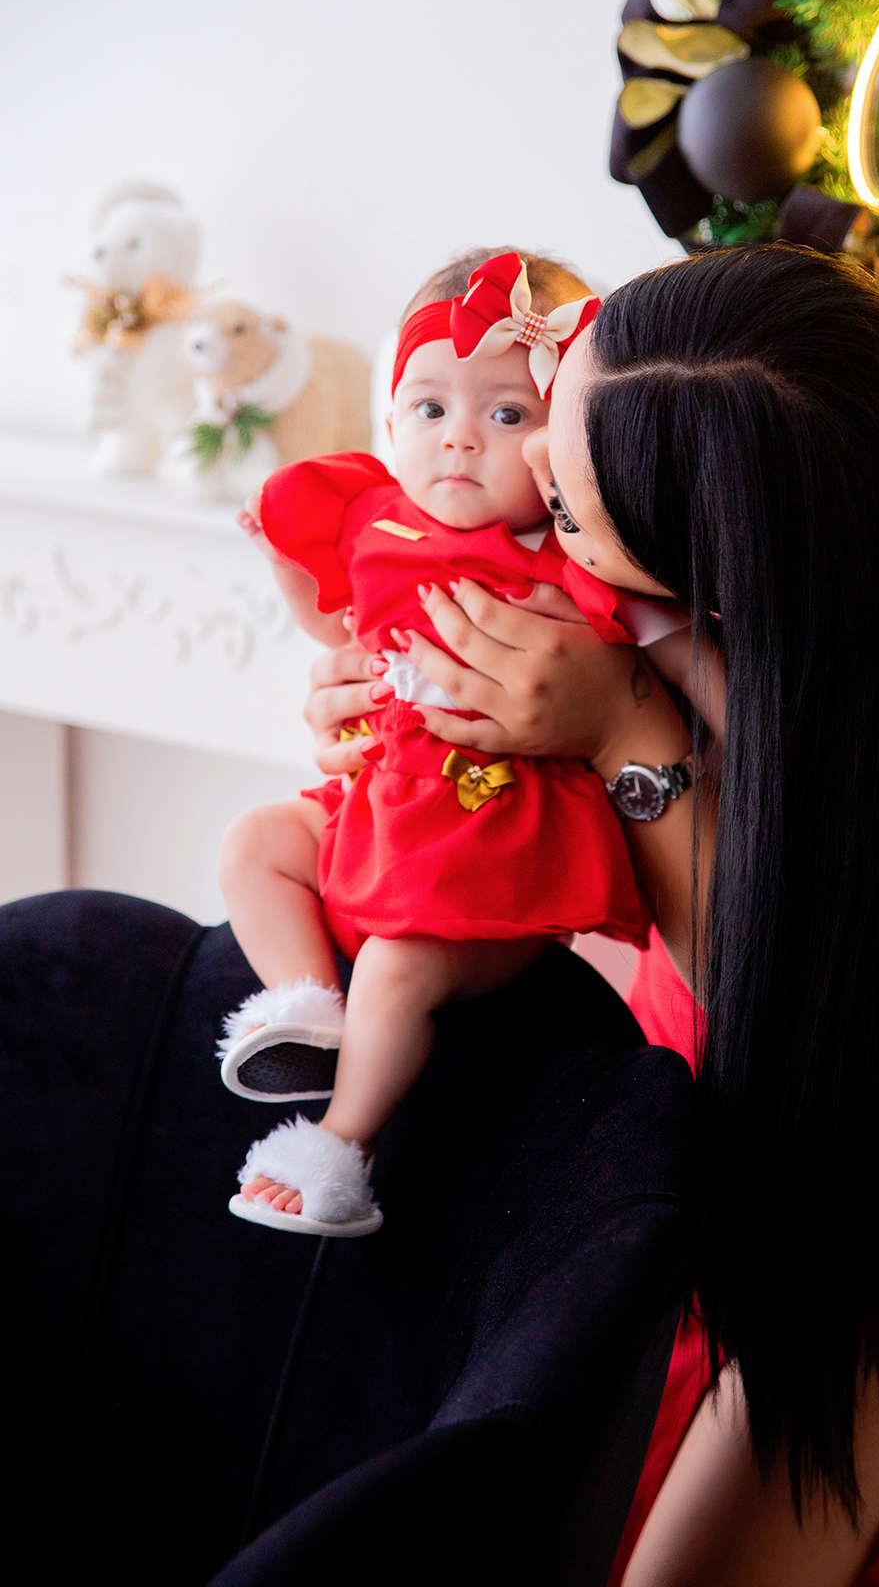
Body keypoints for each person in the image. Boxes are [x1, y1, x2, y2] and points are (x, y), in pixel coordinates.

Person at [302, 243, 879, 1585]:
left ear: (734, 578)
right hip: (729, 1056)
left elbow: (808, 1025)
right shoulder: (748, 511)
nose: (534, 509)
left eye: (572, 518)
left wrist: (629, 743)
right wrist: (398, 725)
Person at [216, 248, 689, 1239]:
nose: (460, 442)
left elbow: (654, 647)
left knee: (397, 963)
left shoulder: (571, 556)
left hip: (485, 834)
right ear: (393, 422)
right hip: (383, 797)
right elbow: (335, 625)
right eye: (430, 411)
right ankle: (301, 1003)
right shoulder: (377, 518)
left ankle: (340, 1144)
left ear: (567, 444)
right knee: (254, 843)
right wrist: (278, 563)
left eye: (506, 415)